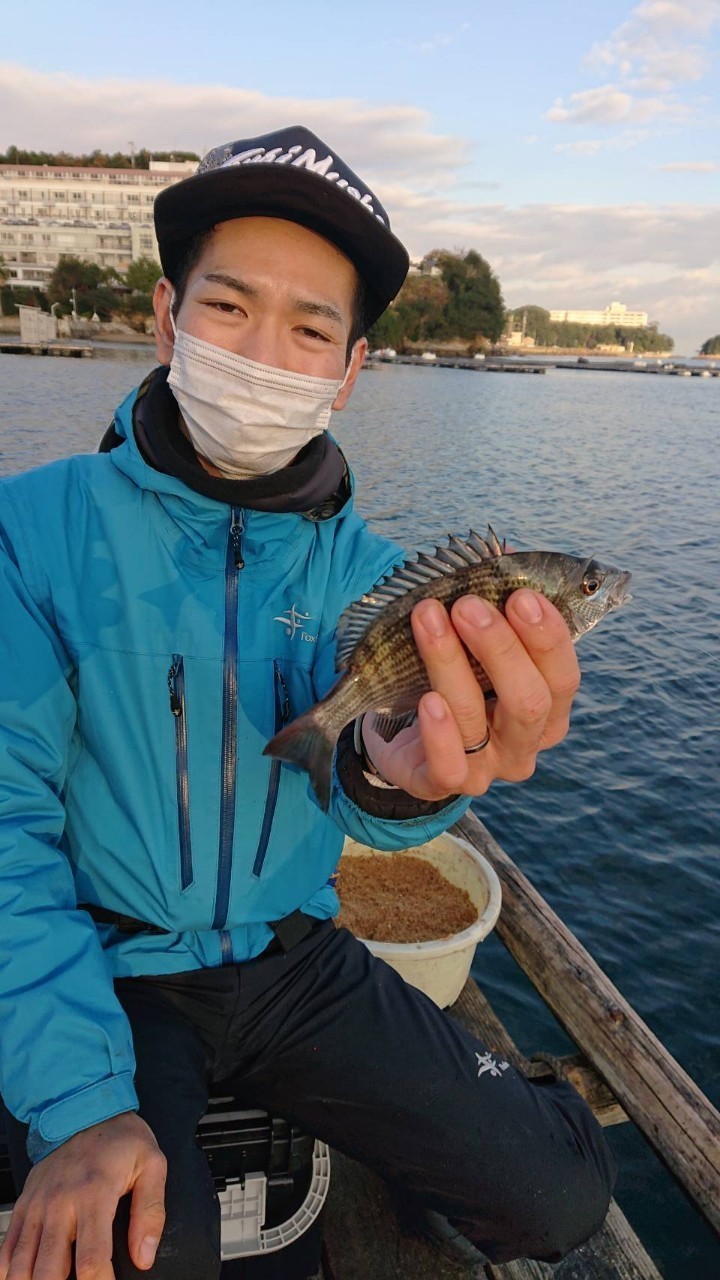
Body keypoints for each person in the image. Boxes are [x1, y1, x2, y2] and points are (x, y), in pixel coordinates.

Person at [0, 126, 615, 1280]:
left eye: (311, 328)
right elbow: (1, 831)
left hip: (296, 959)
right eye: (229, 308)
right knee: (133, 1250)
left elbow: (383, 762)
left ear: (350, 370)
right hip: (109, 964)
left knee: (560, 1191)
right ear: (165, 316)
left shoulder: (375, 579)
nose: (264, 352)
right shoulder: (29, 530)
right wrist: (83, 1102)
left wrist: (404, 774)